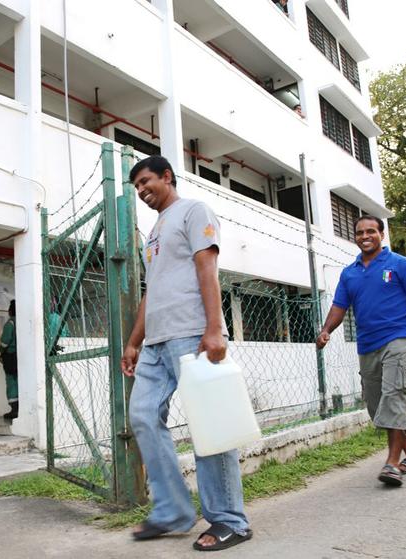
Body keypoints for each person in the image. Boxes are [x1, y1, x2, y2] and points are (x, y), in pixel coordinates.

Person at [121, 155, 252, 551]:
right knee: (142, 415)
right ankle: (172, 511)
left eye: (146, 182)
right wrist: (134, 340)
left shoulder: (193, 211)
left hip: (193, 335)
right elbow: (153, 290)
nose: (142, 191)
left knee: (208, 425)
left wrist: (214, 328)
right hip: (158, 343)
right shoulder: (156, 231)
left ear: (166, 176)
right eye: (137, 188)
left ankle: (230, 520)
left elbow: (206, 268)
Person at [316, 215, 406, 487]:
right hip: (367, 345)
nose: (365, 236)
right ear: (355, 237)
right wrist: (326, 330)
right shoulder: (350, 273)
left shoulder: (401, 265)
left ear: (382, 235)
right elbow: (339, 306)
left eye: (371, 231)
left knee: (394, 396)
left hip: (400, 338)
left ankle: (392, 463)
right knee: (378, 406)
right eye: (360, 232)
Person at [0, 300, 18, 420]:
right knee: (20, 380)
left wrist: (1, 352)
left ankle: (14, 409)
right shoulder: (23, 321)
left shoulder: (10, 323)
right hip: (21, 356)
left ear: (10, 311)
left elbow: (5, 342)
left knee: (11, 382)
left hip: (10, 356)